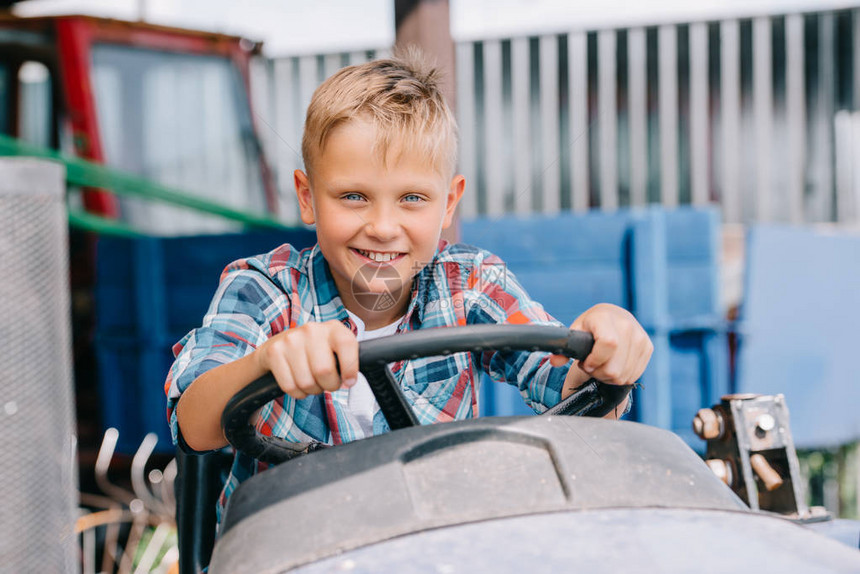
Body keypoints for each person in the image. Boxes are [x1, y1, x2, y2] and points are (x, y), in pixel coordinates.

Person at [165, 51, 653, 520]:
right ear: (307, 198)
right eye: (353, 196)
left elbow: (562, 390)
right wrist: (265, 363)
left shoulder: (470, 284)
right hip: (291, 548)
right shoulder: (264, 289)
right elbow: (193, 422)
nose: (382, 226)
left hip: (430, 545)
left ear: (448, 203)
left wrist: (606, 355)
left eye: (412, 198)